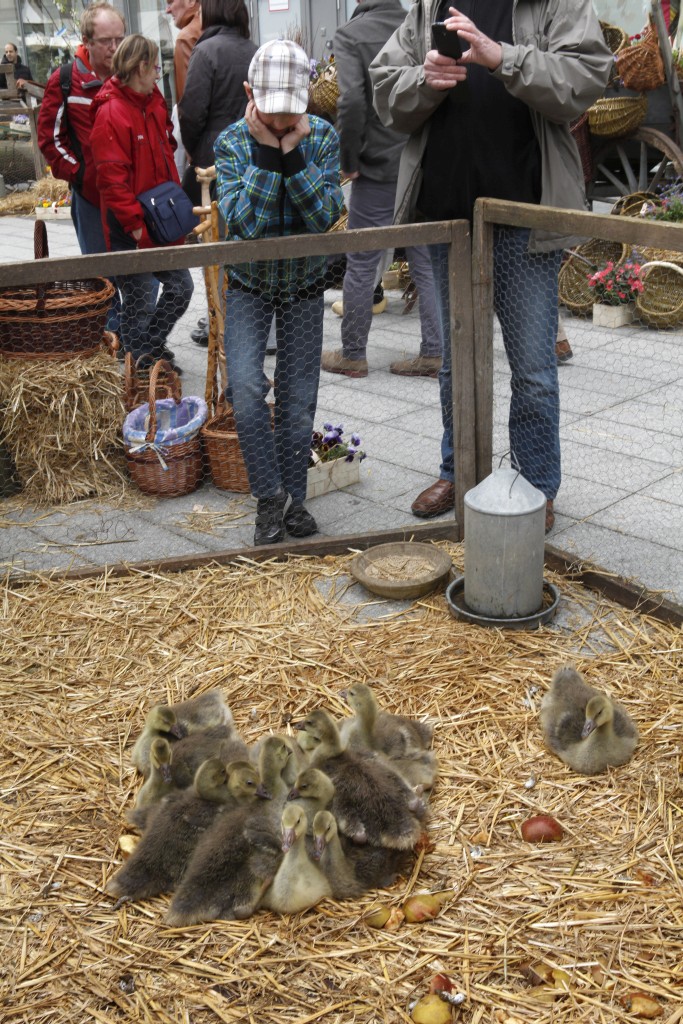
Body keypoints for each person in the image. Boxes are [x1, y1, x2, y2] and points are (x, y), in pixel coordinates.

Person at [370, 1, 611, 531]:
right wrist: (424, 79)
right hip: (449, 216)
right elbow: (386, 89)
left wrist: (503, 58)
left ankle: (534, 484)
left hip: (523, 214)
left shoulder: (553, 4)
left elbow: (587, 77)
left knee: (532, 367)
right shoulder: (431, 5)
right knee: (456, 363)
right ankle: (458, 471)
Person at [214, 39, 344, 546]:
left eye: (293, 112)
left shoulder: (323, 138)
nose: (285, 121)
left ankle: (295, 501)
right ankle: (268, 496)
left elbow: (323, 217)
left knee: (299, 397)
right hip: (248, 284)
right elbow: (243, 224)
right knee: (246, 389)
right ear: (250, 94)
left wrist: (292, 154)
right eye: (274, 112)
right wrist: (268, 154)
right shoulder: (231, 143)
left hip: (304, 283)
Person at [321, 0, 442, 380]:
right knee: (425, 260)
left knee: (362, 261)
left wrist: (349, 159)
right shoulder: (419, 24)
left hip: (377, 166)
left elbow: (352, 101)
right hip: (421, 161)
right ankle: (435, 352)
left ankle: (353, 354)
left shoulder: (351, 34)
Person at [90, 34, 194, 371]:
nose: (158, 74)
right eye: (155, 68)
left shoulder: (154, 101)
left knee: (181, 288)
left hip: (162, 217)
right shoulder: (111, 112)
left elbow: (167, 144)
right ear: (140, 67)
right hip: (131, 226)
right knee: (140, 301)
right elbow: (111, 178)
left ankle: (147, 348)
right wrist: (134, 225)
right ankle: (141, 366)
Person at [179, 0, 257, 206]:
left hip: (213, 159)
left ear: (211, 12)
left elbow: (191, 113)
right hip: (252, 152)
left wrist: (194, 150)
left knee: (214, 219)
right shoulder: (255, 51)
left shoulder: (204, 52)